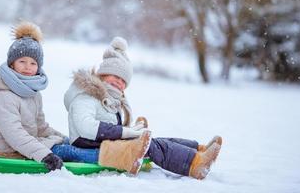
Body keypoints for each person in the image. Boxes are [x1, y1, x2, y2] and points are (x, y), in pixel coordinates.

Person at [64, 37, 222, 179]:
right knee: (150, 146)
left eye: (123, 80)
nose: (119, 82)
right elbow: (85, 127)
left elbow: (109, 126)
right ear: (103, 74)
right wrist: (127, 133)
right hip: (87, 144)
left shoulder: (110, 98)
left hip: (100, 141)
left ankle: (198, 150)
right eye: (116, 76)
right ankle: (194, 164)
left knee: (154, 141)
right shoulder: (86, 95)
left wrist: (132, 130)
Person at [0, 21, 99, 172]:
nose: (27, 67)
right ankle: (115, 157)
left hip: (29, 146)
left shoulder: (32, 93)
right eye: (22, 61)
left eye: (33, 63)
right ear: (12, 64)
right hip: (10, 152)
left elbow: (41, 128)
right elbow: (15, 135)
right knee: (70, 152)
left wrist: (68, 139)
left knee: (72, 144)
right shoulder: (3, 96)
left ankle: (118, 148)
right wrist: (45, 155)